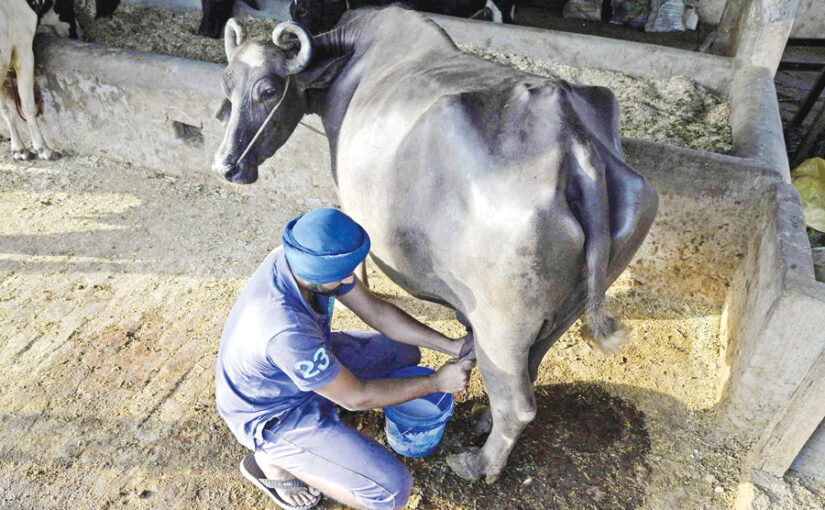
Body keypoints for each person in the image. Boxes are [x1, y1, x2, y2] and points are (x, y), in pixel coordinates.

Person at [215, 208, 475, 510]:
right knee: (392, 493)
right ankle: (272, 461)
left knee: (404, 353)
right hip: (274, 413)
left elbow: (377, 313)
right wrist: (436, 382)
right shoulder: (286, 330)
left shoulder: (300, 258)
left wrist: (451, 346)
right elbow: (357, 398)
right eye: (343, 274)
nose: (350, 279)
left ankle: (324, 416)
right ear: (317, 274)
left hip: (301, 367)